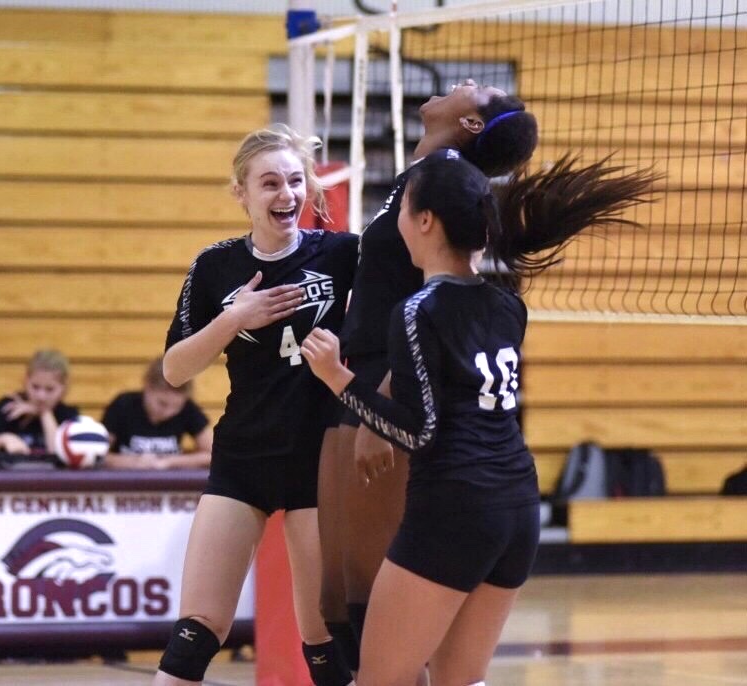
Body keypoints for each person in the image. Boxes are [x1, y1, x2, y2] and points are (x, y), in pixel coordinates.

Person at [302, 150, 656, 686]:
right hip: (517, 507)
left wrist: (338, 379)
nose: (394, 215)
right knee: (460, 680)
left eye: (401, 206)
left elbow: (417, 430)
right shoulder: (507, 304)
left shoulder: (419, 311)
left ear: (424, 222)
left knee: (379, 678)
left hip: (454, 508)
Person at [317, 78, 540, 674]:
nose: (465, 82)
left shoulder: (440, 181)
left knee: (369, 600)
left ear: (471, 123)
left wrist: (379, 413)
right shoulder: (423, 176)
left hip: (388, 382)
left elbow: (428, 314)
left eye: (479, 87)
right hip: (365, 370)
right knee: (336, 599)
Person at [151, 123, 358, 686]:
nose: (285, 195)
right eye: (269, 183)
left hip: (319, 461)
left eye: (295, 181)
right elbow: (174, 369)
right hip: (243, 458)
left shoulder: (345, 256)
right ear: (241, 193)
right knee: (195, 631)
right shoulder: (215, 265)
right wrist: (234, 318)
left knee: (323, 640)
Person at [101, 357, 213, 470]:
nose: (169, 412)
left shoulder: (188, 409)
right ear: (147, 387)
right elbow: (99, 455)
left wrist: (170, 462)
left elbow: (213, 454)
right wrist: (133, 462)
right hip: (125, 482)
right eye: (162, 404)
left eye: (177, 407)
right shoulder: (123, 405)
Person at [0, 349, 78, 460]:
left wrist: (44, 414)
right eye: (35, 387)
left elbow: (59, 455)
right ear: (26, 381)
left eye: (50, 389)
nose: (41, 397)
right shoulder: (8, 407)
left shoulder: (68, 416)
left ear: (64, 388)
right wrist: (3, 439)